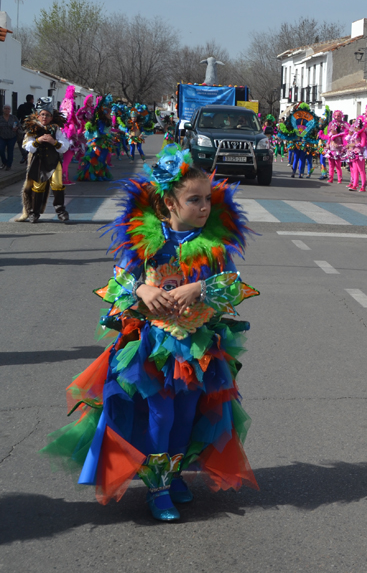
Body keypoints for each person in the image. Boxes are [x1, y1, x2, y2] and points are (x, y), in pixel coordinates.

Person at [41, 146, 259, 521]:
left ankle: (173, 474)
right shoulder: (144, 241)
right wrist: (142, 289)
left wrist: (199, 288)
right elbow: (119, 280)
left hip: (196, 345)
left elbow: (232, 286)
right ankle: (157, 488)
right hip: (151, 344)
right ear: (169, 203)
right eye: (194, 200)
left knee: (187, 414)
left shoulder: (214, 245)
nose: (204, 207)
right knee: (161, 414)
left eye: (208, 199)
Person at [21, 99, 71, 223]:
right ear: (38, 115)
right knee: (38, 186)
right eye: (42, 114)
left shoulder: (56, 129)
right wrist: (38, 141)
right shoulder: (32, 128)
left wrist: (54, 142)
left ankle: (61, 211)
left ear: (51, 117)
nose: (45, 117)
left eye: (47, 115)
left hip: (54, 161)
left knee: (57, 184)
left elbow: (65, 146)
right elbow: (27, 146)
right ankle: (34, 212)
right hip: (39, 162)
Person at [0, 104, 18, 170]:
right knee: (1, 150)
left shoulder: (13, 117)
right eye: (5, 108)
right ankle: (4, 162)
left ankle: (8, 165)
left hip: (12, 137)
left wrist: (16, 127)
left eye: (8, 109)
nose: (7, 110)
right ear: (3, 110)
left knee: (10, 151)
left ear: (10, 110)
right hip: (2, 137)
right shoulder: (1, 118)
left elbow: (18, 124)